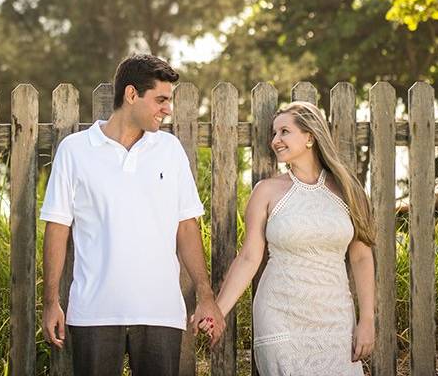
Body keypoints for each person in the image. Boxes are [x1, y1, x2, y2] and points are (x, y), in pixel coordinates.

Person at [40, 54, 225, 376]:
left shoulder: (169, 150)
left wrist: (206, 296)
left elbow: (186, 227)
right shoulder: (75, 150)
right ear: (131, 95)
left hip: (160, 312)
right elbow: (57, 227)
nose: (167, 109)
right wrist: (50, 301)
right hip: (93, 313)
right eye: (160, 99)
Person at [200, 101, 376, 374]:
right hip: (280, 315)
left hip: (336, 319)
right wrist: (218, 312)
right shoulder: (267, 191)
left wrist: (367, 319)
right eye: (273, 133)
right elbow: (249, 257)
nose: (275, 140)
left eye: (284, 131)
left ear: (310, 137)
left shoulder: (348, 190)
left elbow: (362, 256)